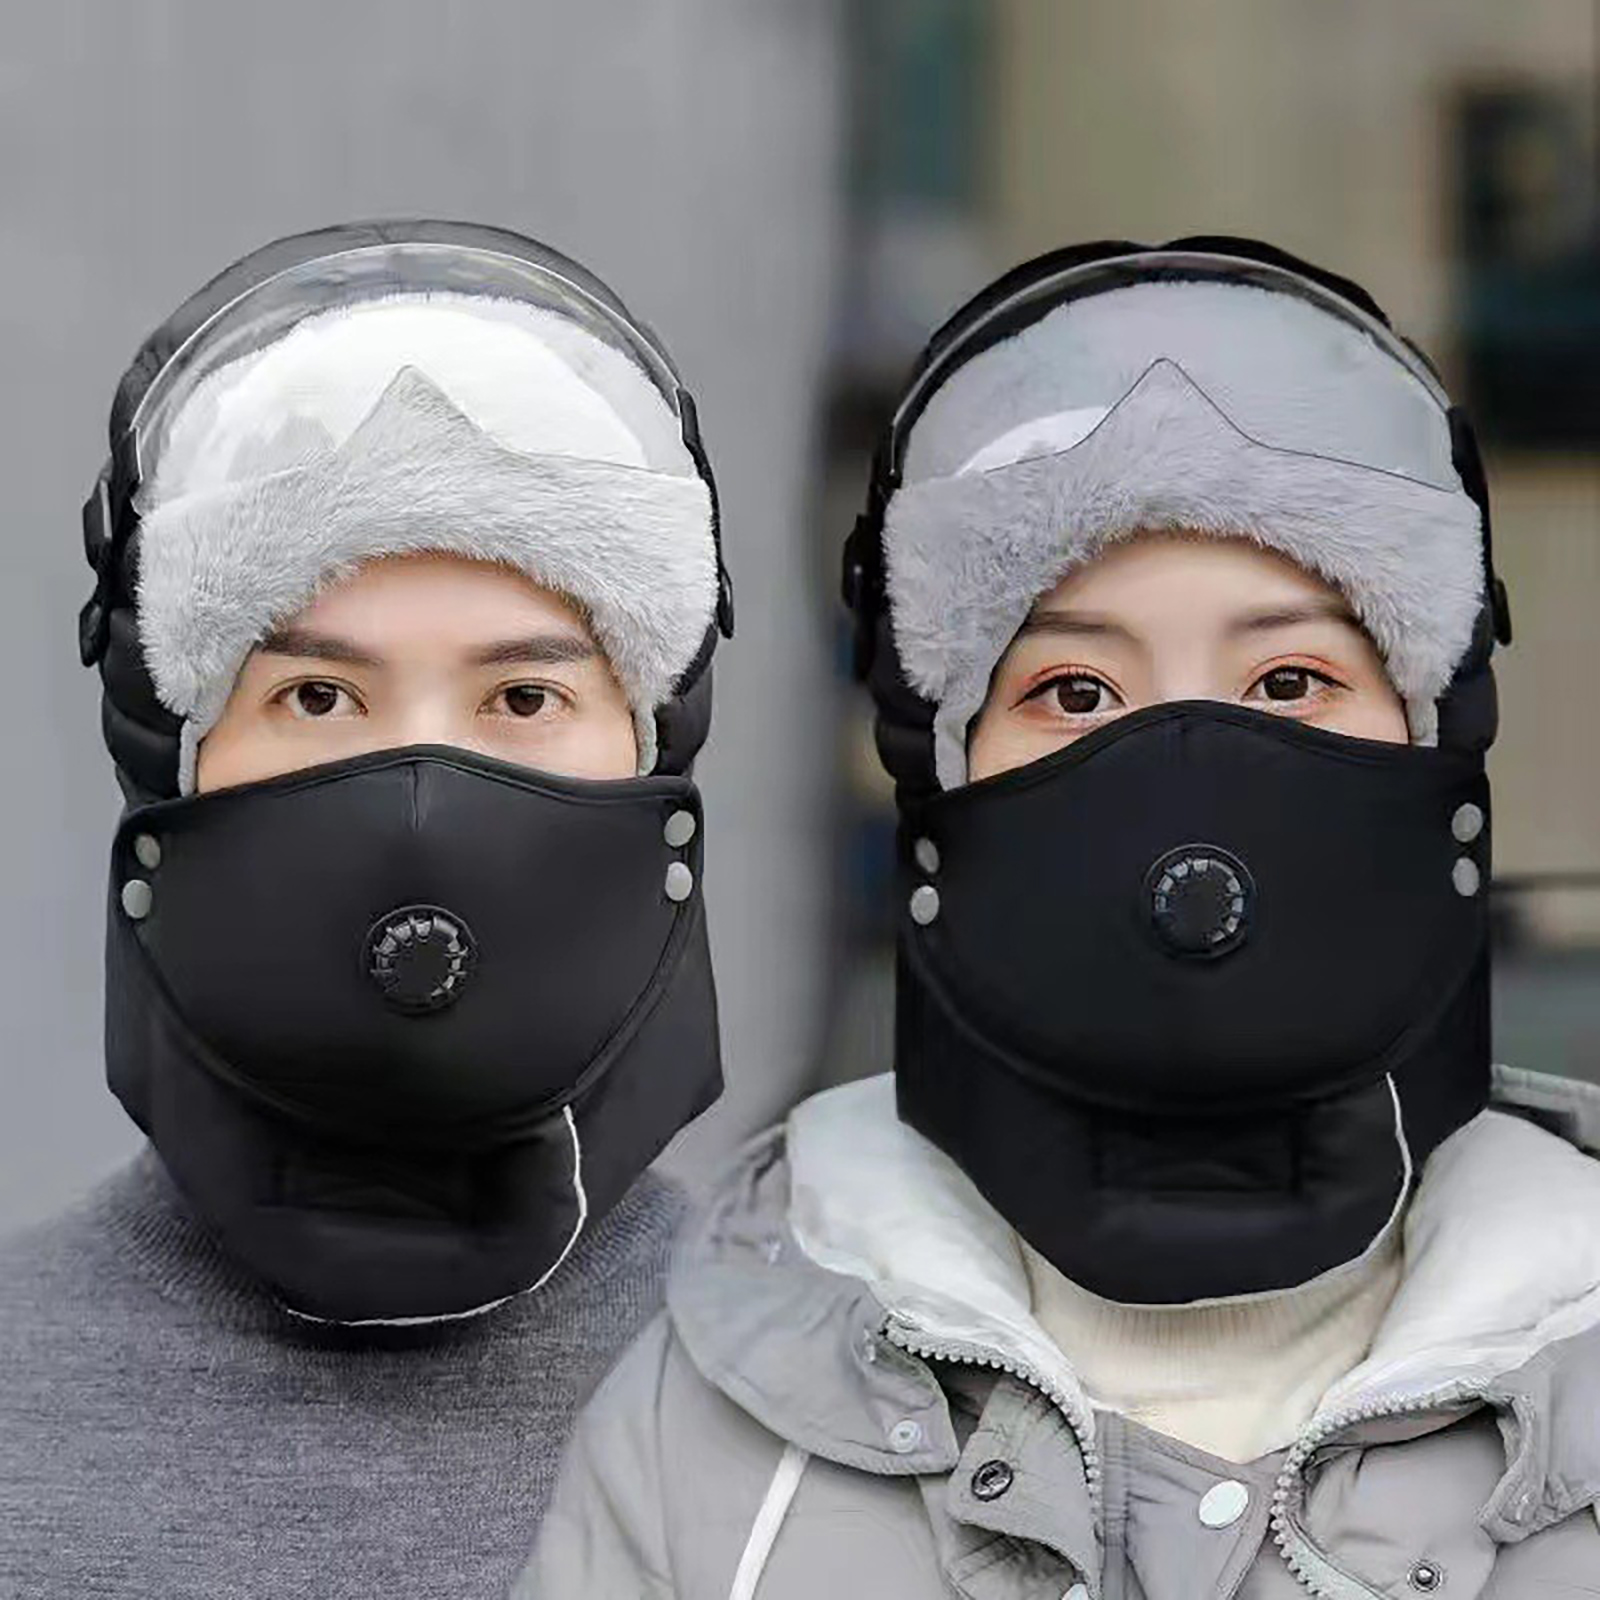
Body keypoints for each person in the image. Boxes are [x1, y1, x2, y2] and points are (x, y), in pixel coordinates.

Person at [524, 239, 1600, 1597]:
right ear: (943, 775)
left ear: (1435, 738)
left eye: (1289, 681)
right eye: (1077, 694)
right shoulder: (706, 1426)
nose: (1189, 782)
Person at [0, 219, 732, 1596]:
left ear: (653, 750)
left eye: (526, 696)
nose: (421, 803)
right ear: (173, 757)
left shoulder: (893, 1420)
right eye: (319, 696)